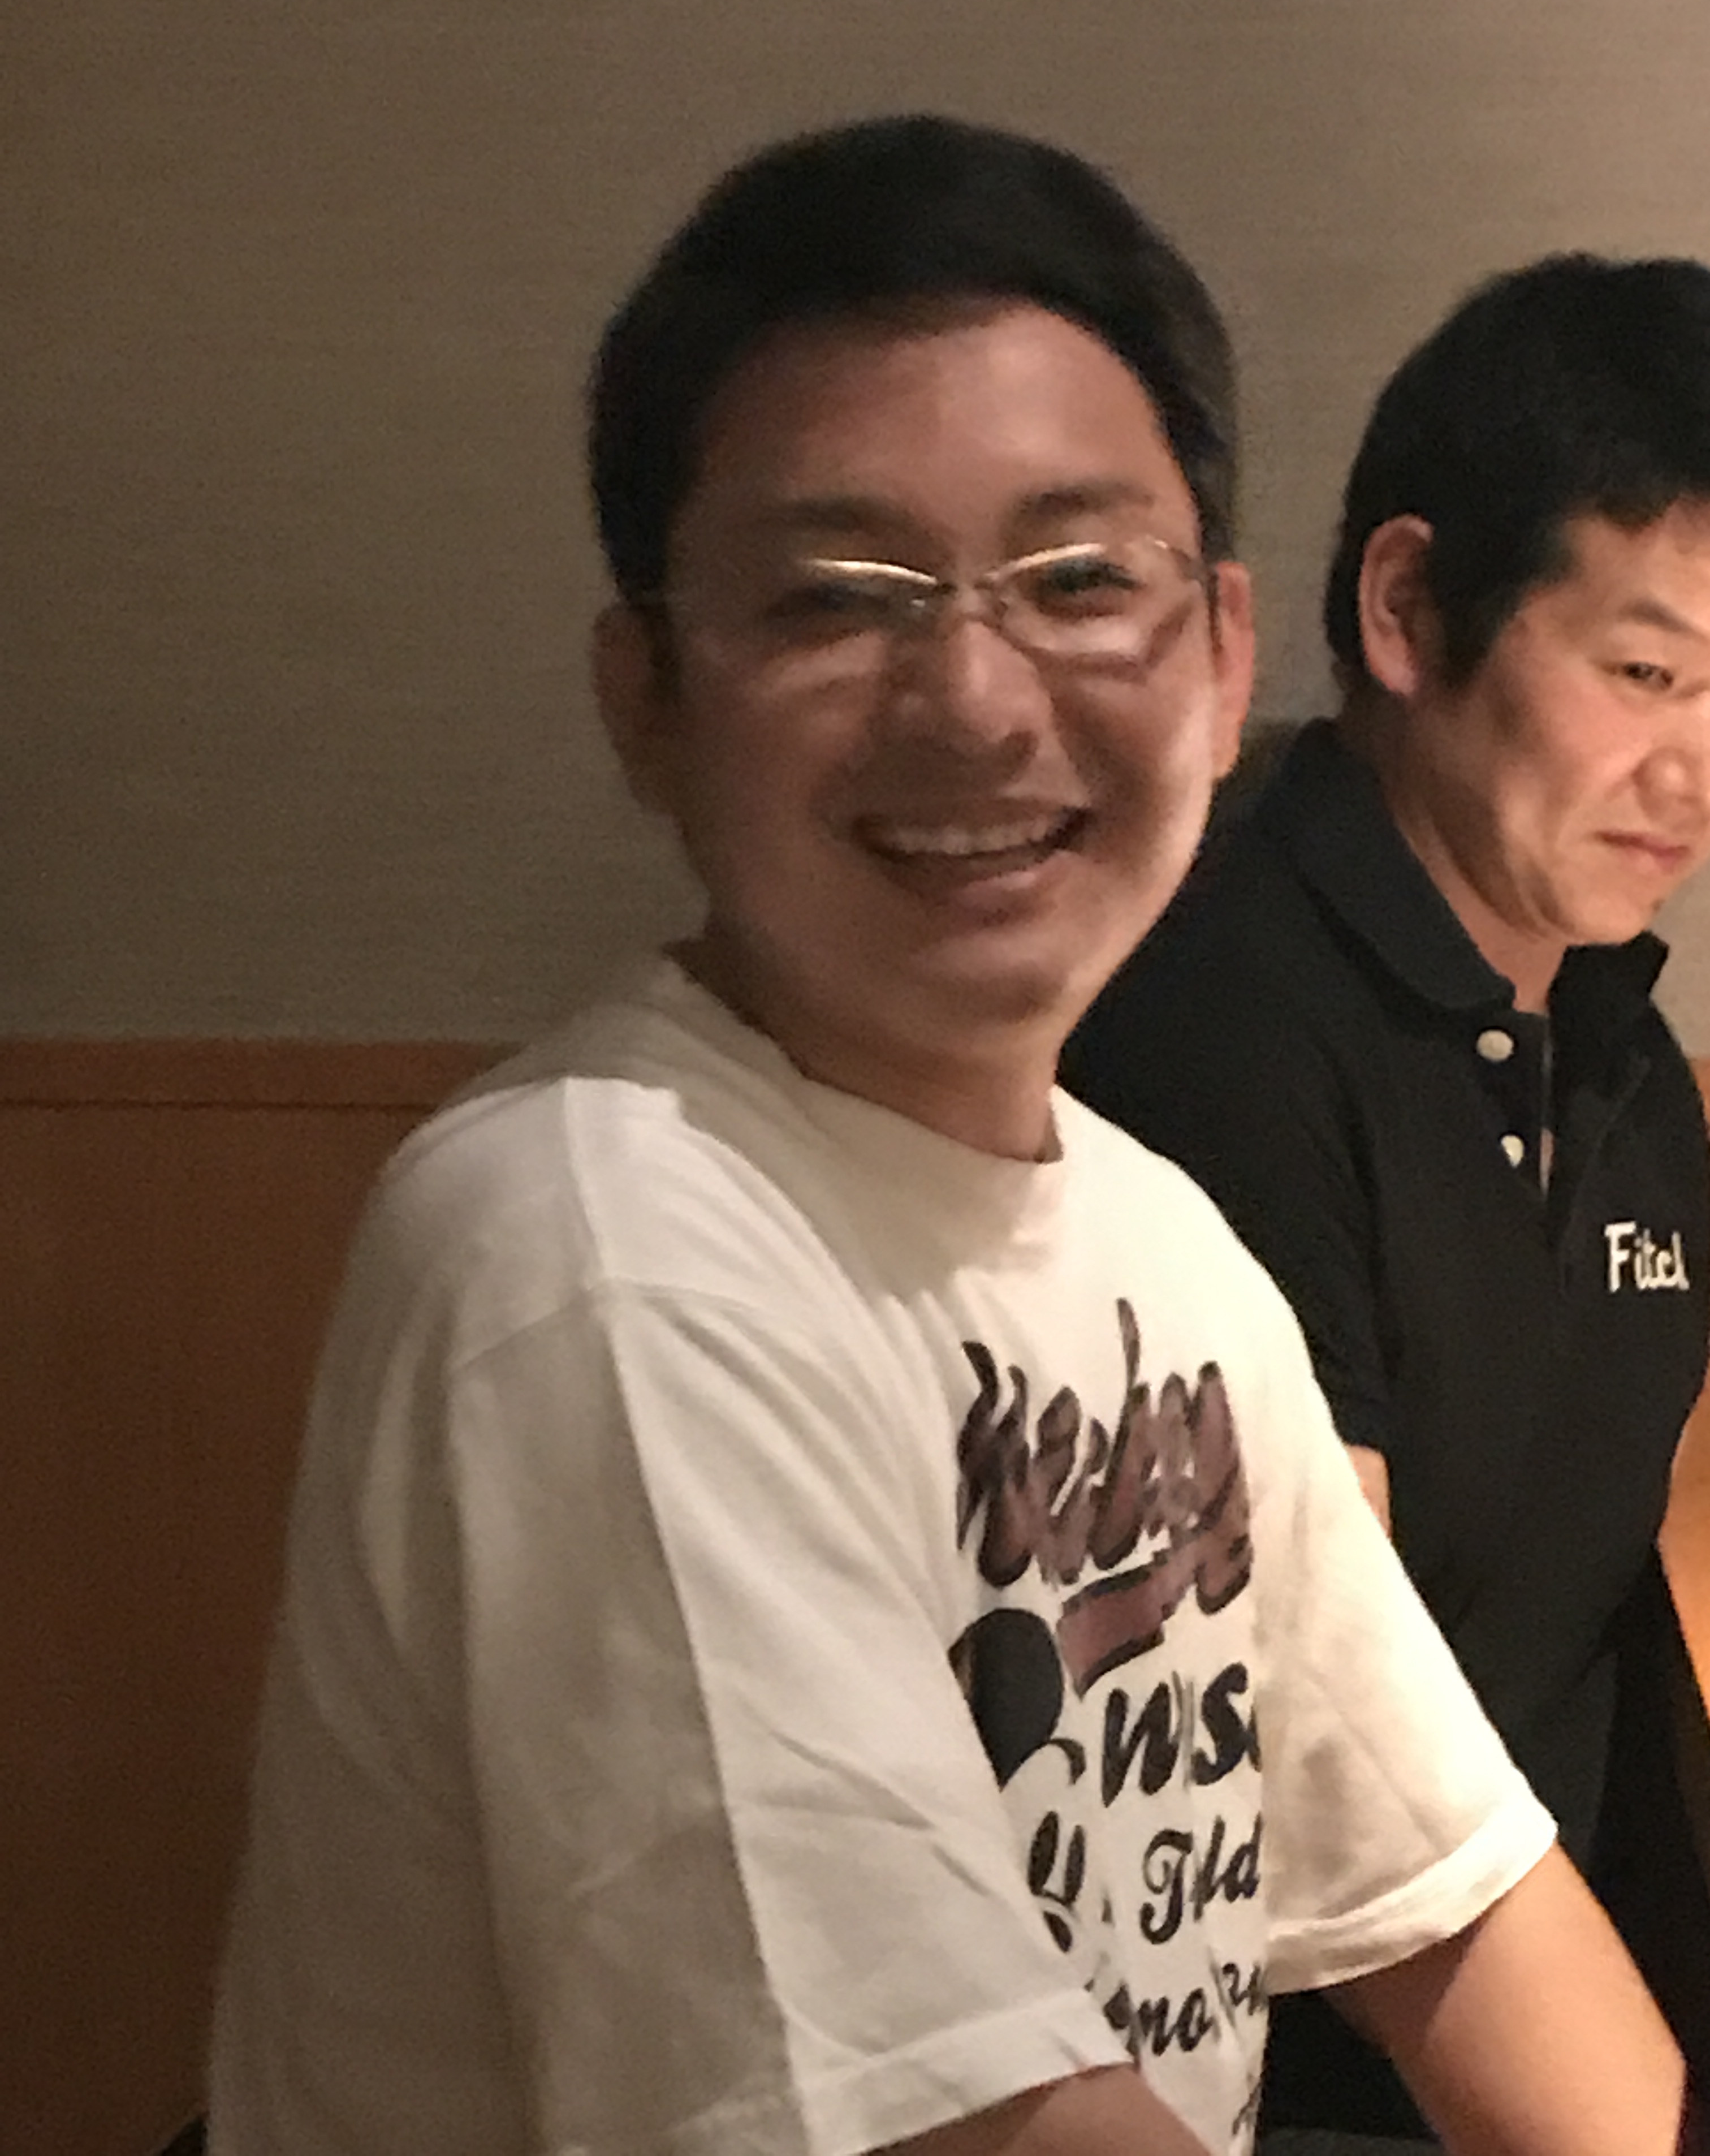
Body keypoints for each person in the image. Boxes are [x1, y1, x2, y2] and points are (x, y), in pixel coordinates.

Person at [209, 122, 1697, 2156]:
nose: (978, 703)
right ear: (648, 700)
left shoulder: (1154, 1248)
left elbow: (1465, 1909)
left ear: (1223, 657)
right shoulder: (599, 1254)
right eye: (839, 598)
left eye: (1081, 582)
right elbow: (965, 2121)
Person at [1064, 251, 1710, 2148]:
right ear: (1408, 608)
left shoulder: (1608, 1033)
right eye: (1648, 674)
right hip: (1314, 2068)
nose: (1694, 770)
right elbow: (1314, 1739)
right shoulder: (1224, 1021)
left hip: (1561, 1985)